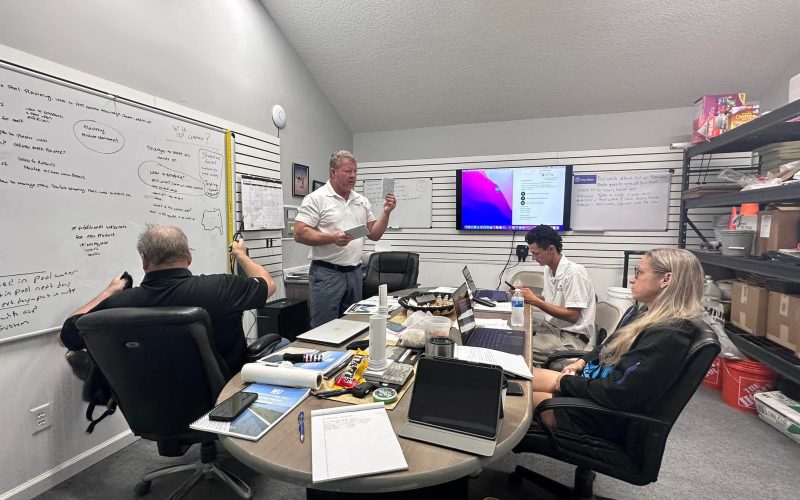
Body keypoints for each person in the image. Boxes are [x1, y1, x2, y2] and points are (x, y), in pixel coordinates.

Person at [530, 248, 705, 440]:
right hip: (592, 387)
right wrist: (582, 362)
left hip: (596, 412)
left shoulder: (668, 334)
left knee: (516, 397)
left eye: (639, 273)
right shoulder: (641, 314)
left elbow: (620, 393)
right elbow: (606, 346)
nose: (631, 279)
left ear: (666, 280)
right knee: (519, 378)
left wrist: (565, 383)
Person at [60, 225, 276, 376]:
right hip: (226, 400)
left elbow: (68, 334)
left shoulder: (120, 305)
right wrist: (241, 255)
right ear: (188, 258)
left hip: (156, 409)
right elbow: (269, 284)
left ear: (144, 261)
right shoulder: (222, 287)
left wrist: (110, 291)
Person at [294, 150, 397, 327]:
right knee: (325, 328)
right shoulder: (316, 198)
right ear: (333, 172)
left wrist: (386, 212)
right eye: (348, 171)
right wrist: (332, 237)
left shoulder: (361, 201)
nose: (353, 176)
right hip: (327, 274)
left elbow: (374, 234)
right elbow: (300, 232)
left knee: (353, 325)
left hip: (355, 273)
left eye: (355, 171)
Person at [515, 225, 596, 365]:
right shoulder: (549, 270)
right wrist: (526, 295)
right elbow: (548, 300)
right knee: (511, 332)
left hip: (570, 338)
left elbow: (572, 315)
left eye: (536, 253)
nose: (533, 258)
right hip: (551, 328)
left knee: (515, 346)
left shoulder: (574, 273)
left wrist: (535, 301)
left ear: (551, 249)